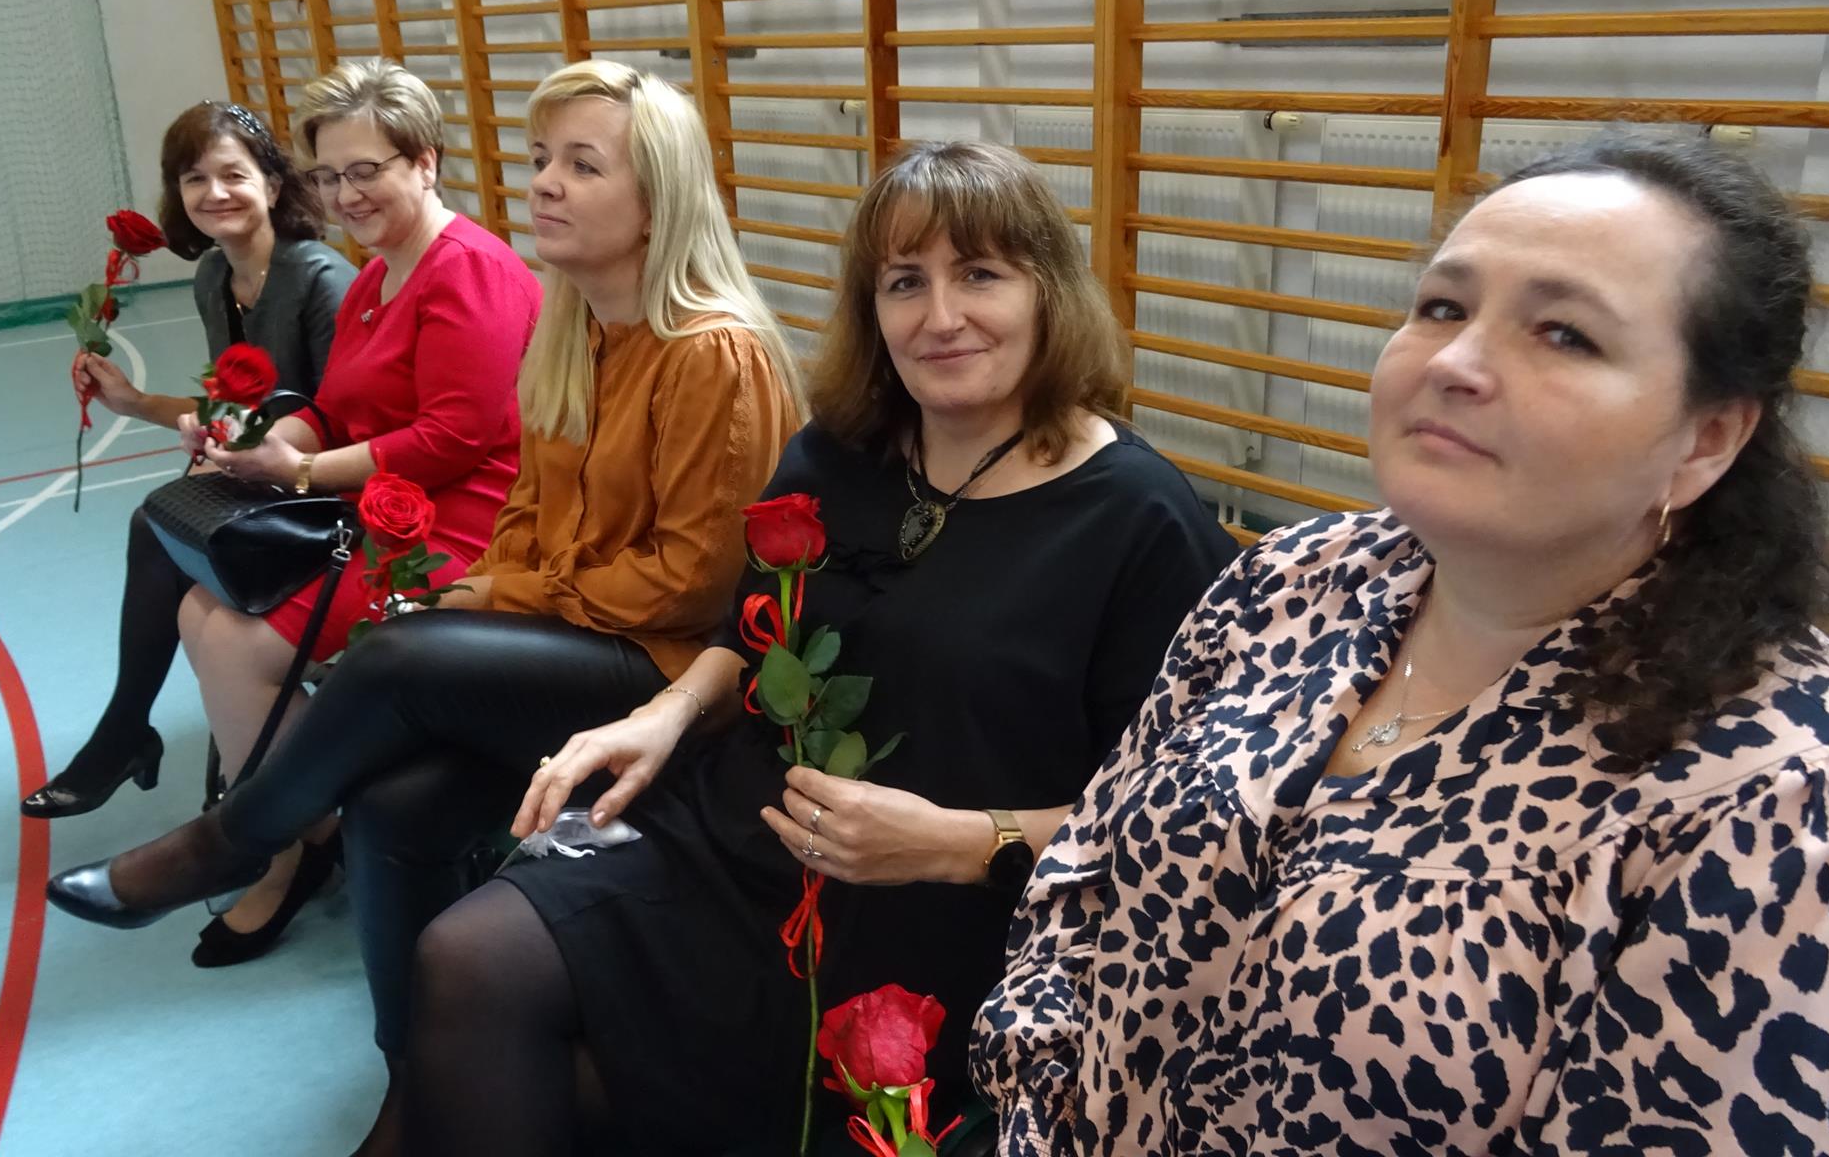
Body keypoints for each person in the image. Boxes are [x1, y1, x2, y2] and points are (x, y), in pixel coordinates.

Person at [973, 133, 1829, 1156]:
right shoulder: (1295, 577)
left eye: (1564, 334)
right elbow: (1085, 878)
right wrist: (1034, 1114)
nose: (1454, 363)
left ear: (1705, 438)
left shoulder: (1791, 788)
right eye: (1443, 307)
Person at [407, 139, 1235, 1156]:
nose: (939, 316)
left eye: (980, 274)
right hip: (742, 839)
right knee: (466, 958)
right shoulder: (837, 452)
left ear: (1048, 294)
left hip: (939, 908)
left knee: (562, 1079)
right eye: (904, 282)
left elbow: (1177, 820)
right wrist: (660, 715)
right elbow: (751, 636)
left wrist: (955, 842)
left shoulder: (1142, 522)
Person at [46, 58, 801, 1150]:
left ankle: (235, 839)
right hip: (572, 631)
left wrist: (498, 591)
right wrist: (493, 587)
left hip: (671, 676)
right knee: (394, 808)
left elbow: (693, 583)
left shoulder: (712, 352)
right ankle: (415, 1088)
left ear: (658, 201)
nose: (543, 183)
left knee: (399, 658)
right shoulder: (576, 328)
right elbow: (531, 510)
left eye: (582, 166)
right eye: (540, 159)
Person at [171, 59, 539, 967]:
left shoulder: (468, 271)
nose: (345, 194)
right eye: (330, 176)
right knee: (197, 610)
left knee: (237, 644)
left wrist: (298, 469)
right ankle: (315, 828)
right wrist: (259, 440)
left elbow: (455, 437)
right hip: (382, 508)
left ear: (426, 162)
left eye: (366, 170)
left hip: (463, 528)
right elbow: (334, 408)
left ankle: (284, 848)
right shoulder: (377, 277)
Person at [23, 101, 353, 821]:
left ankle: (130, 735)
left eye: (233, 174)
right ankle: (155, 738)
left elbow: (349, 420)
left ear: (272, 184)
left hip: (330, 486)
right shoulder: (214, 277)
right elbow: (233, 410)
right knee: (165, 522)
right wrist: (136, 401)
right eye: (194, 178)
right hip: (265, 473)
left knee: (157, 524)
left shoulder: (320, 277)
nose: (214, 193)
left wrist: (242, 452)